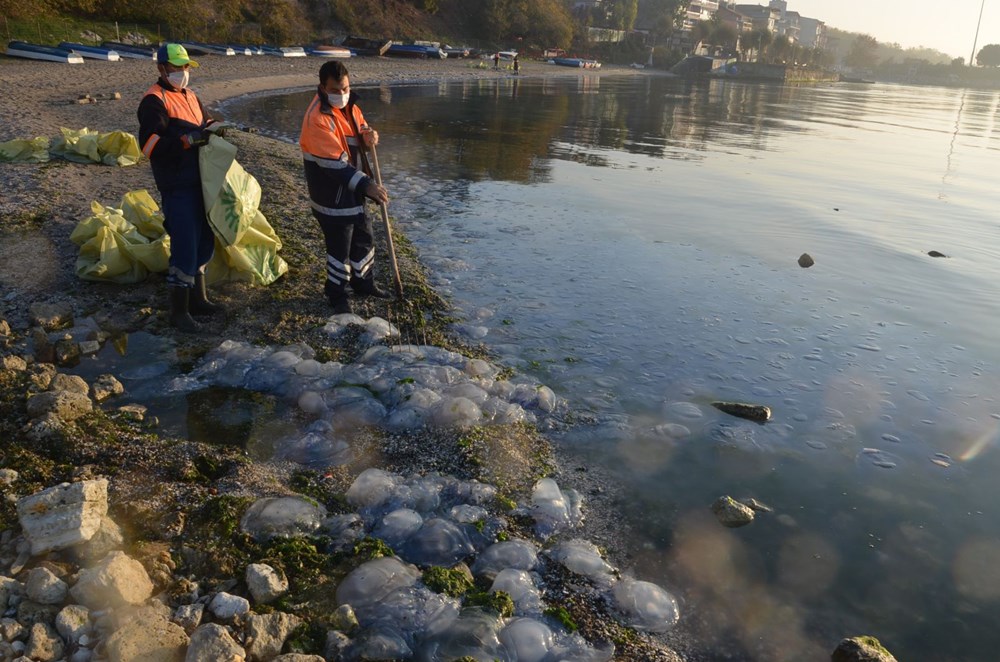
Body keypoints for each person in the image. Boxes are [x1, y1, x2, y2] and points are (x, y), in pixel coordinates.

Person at [137, 43, 224, 332]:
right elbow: (149, 145)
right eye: (177, 68)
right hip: (176, 183)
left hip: (200, 179)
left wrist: (216, 128)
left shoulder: (190, 95)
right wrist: (185, 142)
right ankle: (179, 311)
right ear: (162, 68)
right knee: (184, 244)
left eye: (186, 67)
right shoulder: (153, 101)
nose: (183, 73)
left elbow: (204, 122)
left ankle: (199, 299)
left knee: (203, 240)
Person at [299, 60, 390, 314]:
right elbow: (333, 165)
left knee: (364, 235)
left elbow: (360, 129)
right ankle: (336, 293)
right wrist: (368, 186)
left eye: (345, 89)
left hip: (353, 189)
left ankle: (363, 282)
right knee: (340, 246)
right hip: (331, 195)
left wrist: (368, 134)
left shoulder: (350, 107)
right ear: (323, 87)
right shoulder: (316, 118)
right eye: (336, 90)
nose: (342, 94)